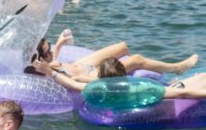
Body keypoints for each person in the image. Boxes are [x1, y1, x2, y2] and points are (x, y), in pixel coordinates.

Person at [30, 38, 198, 83]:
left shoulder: (48, 62)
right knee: (137, 59)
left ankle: (128, 72)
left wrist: (58, 45)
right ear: (40, 58)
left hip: (81, 64)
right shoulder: (43, 71)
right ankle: (177, 68)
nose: (51, 49)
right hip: (91, 73)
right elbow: (72, 81)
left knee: (122, 47)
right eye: (48, 49)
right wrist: (93, 79)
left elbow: (54, 62)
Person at [41, 56, 206, 100]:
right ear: (124, 75)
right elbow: (182, 94)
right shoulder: (138, 87)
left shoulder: (100, 89)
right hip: (161, 95)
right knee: (202, 77)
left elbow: (73, 85)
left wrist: (50, 72)